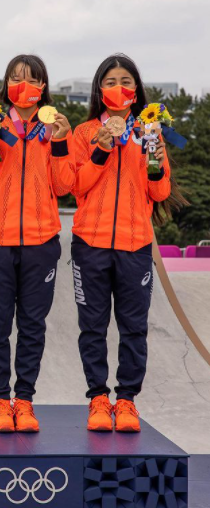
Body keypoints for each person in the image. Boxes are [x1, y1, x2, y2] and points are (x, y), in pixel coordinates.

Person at [71, 53, 186, 432]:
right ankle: (98, 399)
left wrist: (154, 155)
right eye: (109, 82)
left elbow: (160, 189)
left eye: (125, 81)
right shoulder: (85, 132)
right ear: (98, 90)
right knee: (93, 326)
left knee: (134, 327)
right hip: (91, 242)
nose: (118, 88)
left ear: (136, 90)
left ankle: (127, 401)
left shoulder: (149, 132)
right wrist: (102, 148)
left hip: (135, 243)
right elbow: (77, 186)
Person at [0, 54, 75, 432]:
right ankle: (0, 401)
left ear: (43, 87)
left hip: (41, 241)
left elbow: (65, 186)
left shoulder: (55, 128)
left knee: (33, 325)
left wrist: (62, 143)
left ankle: (25, 401)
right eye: (16, 78)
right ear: (7, 84)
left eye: (31, 79)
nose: (23, 85)